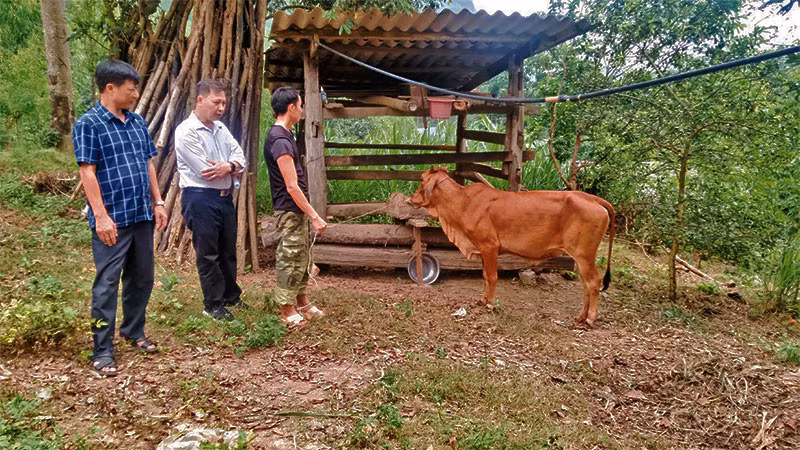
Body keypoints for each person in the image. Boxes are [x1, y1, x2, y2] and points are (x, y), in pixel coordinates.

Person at [73, 60, 168, 377]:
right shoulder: (89, 124)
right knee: (107, 284)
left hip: (141, 214)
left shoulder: (137, 122)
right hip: (112, 219)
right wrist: (100, 216)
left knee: (142, 277)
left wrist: (158, 201)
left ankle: (133, 330)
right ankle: (102, 350)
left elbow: (148, 164)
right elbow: (87, 172)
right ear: (110, 88)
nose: (136, 94)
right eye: (131, 89)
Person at [175, 80, 246, 321]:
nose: (221, 107)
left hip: (225, 198)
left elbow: (240, 157)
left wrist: (230, 165)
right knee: (208, 253)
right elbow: (205, 169)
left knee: (227, 251)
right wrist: (231, 167)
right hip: (200, 198)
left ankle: (230, 296)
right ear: (200, 100)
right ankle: (213, 305)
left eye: (224, 103)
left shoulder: (220, 129)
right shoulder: (186, 131)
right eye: (217, 102)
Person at [264, 87, 327, 326]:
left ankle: (302, 301)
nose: (302, 110)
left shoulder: (286, 135)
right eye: (300, 106)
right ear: (291, 108)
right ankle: (287, 310)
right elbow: (291, 186)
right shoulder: (279, 140)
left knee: (302, 256)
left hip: (296, 209)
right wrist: (314, 215)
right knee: (289, 256)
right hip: (288, 209)